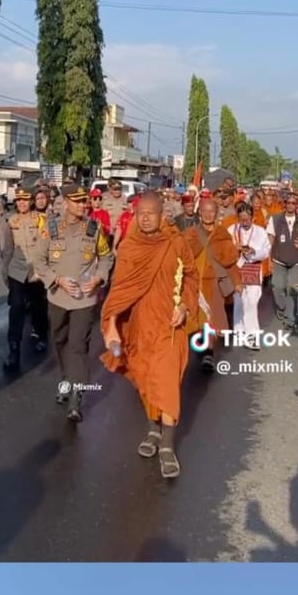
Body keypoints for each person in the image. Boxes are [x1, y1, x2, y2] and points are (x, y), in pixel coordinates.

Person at [101, 191, 199, 479]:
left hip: (170, 327)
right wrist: (111, 326)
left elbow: (191, 278)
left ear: (162, 215)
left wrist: (183, 306)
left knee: (166, 380)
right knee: (145, 379)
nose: (144, 217)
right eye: (140, 212)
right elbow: (119, 291)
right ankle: (153, 430)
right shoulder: (129, 247)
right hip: (140, 326)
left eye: (150, 212)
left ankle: (168, 445)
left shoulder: (176, 243)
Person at [33, 178, 114, 423]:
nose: (83, 206)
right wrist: (56, 279)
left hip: (84, 300)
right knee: (59, 340)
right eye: (77, 201)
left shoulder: (94, 229)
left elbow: (106, 258)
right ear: (66, 202)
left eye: (85, 201)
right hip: (58, 297)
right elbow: (38, 261)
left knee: (78, 346)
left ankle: (76, 398)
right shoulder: (51, 228)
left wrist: (99, 279)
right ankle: (66, 378)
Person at [181, 192, 241, 372]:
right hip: (193, 285)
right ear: (200, 213)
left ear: (216, 213)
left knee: (211, 320)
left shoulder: (222, 234)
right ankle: (200, 349)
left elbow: (230, 262)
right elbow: (180, 258)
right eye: (205, 211)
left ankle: (208, 353)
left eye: (212, 211)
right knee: (195, 321)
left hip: (214, 284)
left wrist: (237, 282)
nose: (208, 215)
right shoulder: (190, 234)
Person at [3, 185, 49, 373]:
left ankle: (41, 335)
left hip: (36, 271)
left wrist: (45, 271)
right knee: (16, 309)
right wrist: (4, 273)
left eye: (25, 200)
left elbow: (46, 245)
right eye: (19, 200)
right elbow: (7, 249)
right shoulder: (10, 221)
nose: (22, 203)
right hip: (17, 271)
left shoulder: (41, 220)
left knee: (39, 307)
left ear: (31, 201)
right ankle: (14, 350)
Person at [265, 189, 298, 334]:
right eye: (288, 203)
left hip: (296, 262)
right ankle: (282, 308)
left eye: (294, 203)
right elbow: (269, 241)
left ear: (297, 205)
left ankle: (290, 319)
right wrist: (269, 260)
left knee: (292, 289)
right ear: (284, 204)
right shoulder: (275, 219)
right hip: (279, 260)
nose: (291, 205)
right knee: (278, 287)